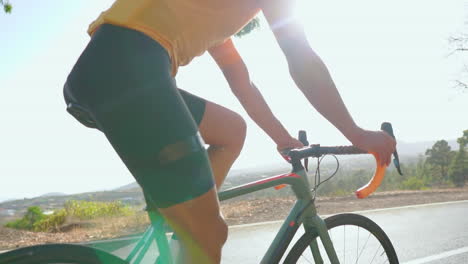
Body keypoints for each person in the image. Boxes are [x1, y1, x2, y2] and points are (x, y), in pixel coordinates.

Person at [63, 0, 396, 263]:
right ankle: (195, 232)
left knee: (231, 130)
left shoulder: (211, 17)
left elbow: (243, 82)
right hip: (130, 71)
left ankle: (182, 225)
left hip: (101, 71)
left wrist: (280, 137)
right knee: (209, 236)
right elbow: (299, 56)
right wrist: (357, 133)